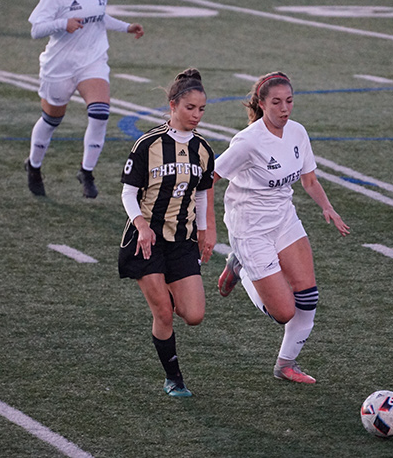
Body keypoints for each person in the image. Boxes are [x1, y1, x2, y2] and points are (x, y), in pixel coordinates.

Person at [213, 71, 350, 384]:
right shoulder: (248, 142)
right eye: (276, 102)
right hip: (249, 227)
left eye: (289, 101)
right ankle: (241, 268)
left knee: (308, 297)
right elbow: (211, 177)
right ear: (262, 104)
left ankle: (286, 365)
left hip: (284, 219)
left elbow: (309, 179)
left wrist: (327, 207)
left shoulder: (298, 132)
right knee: (283, 312)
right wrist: (202, 220)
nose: (284, 108)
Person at [118, 68, 215, 397]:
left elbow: (201, 193)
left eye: (201, 109)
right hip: (147, 242)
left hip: (182, 242)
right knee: (163, 312)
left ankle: (169, 289)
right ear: (172, 105)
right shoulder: (148, 144)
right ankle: (174, 378)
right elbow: (128, 193)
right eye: (190, 108)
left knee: (194, 315)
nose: (196, 116)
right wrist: (141, 225)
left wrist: (204, 231)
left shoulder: (203, 149)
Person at [24, 0, 144, 198]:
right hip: (60, 66)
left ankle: (86, 172)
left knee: (100, 114)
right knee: (52, 120)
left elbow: (99, 17)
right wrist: (62, 24)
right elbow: (36, 29)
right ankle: (33, 166)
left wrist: (126, 27)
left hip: (92, 61)